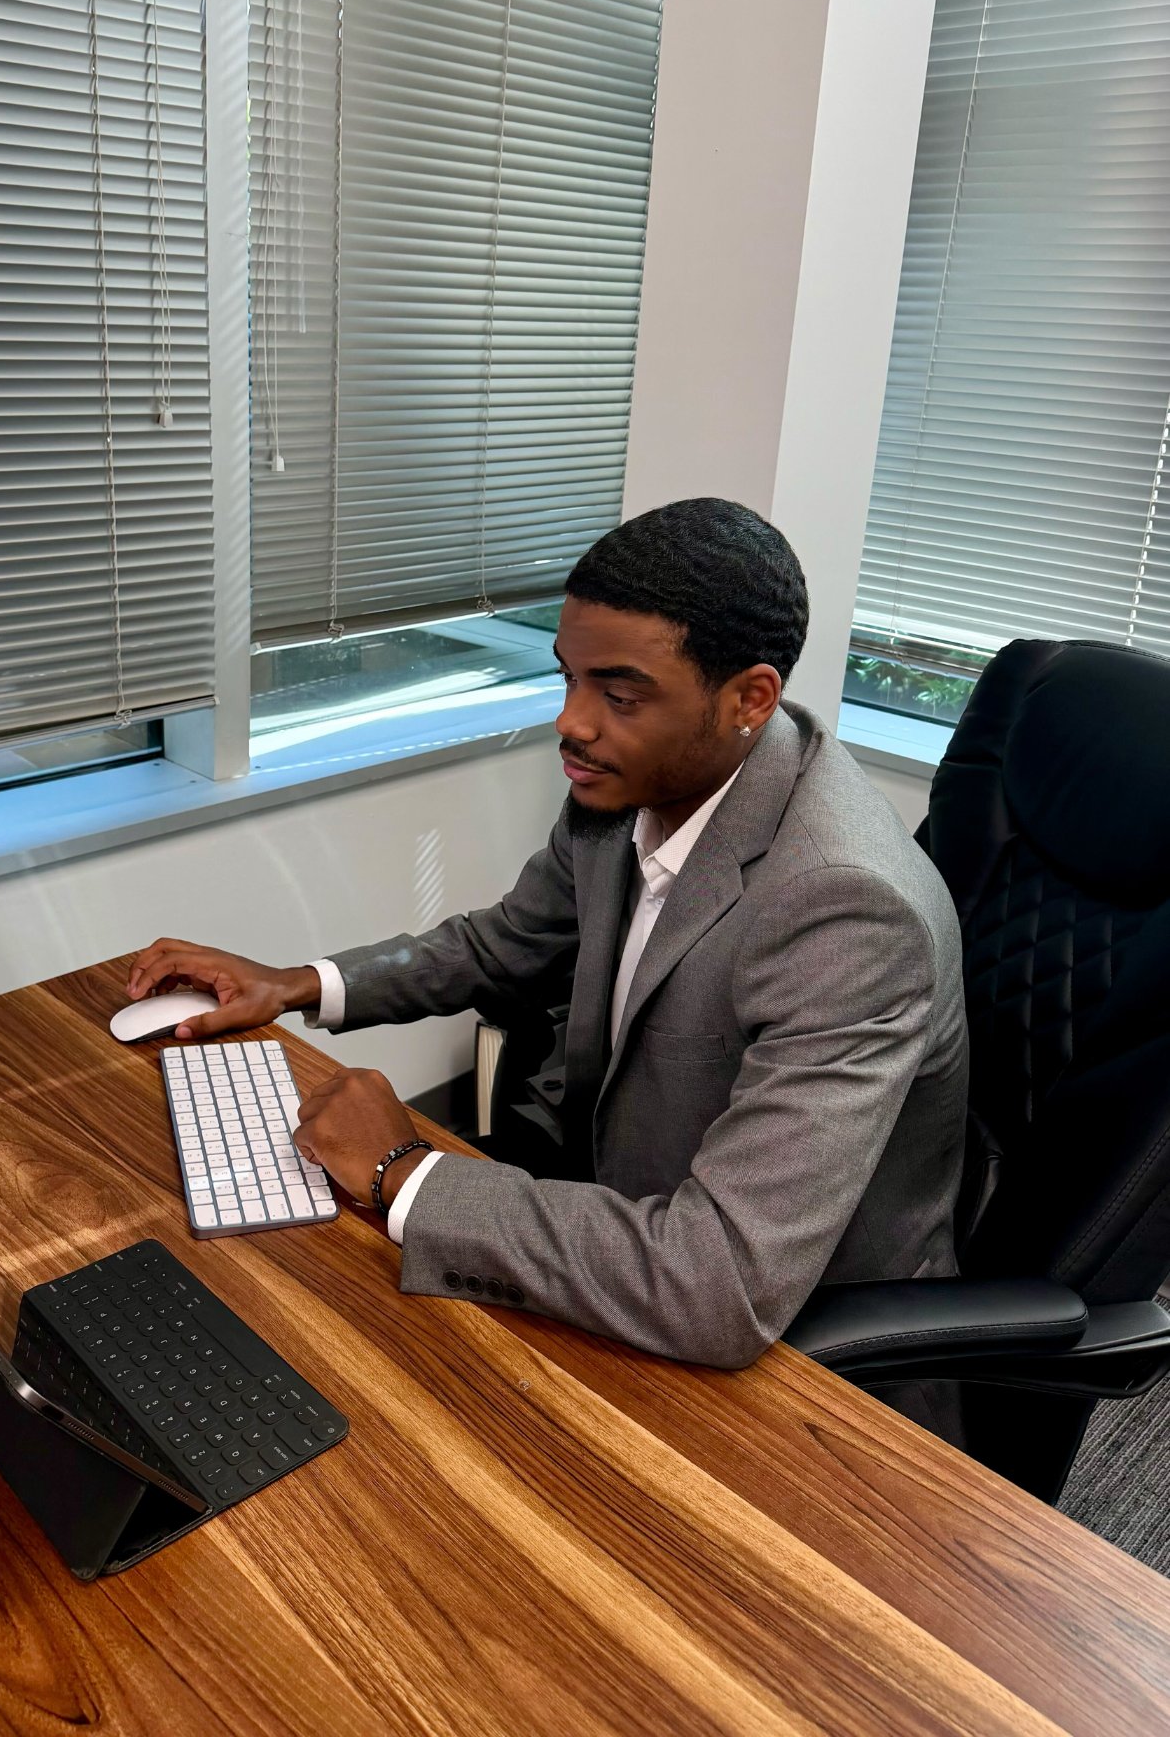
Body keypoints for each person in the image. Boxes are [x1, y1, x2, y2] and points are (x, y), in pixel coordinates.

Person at [128, 497, 968, 1382]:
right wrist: (298, 983)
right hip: (623, 1236)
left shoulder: (847, 910)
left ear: (748, 699)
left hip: (801, 1358)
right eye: (568, 677)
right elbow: (505, 946)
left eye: (618, 694)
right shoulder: (635, 784)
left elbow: (719, 1283)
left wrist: (404, 1171)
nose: (572, 722)